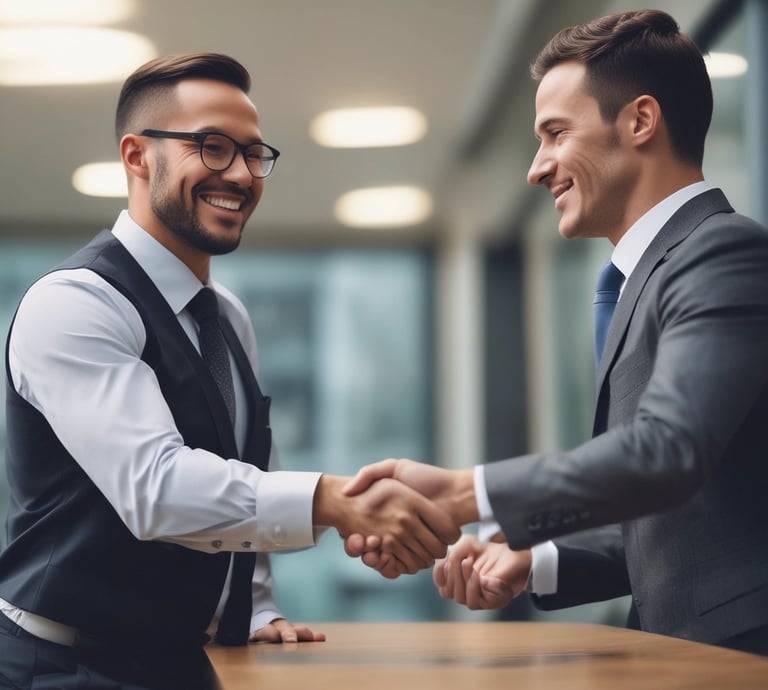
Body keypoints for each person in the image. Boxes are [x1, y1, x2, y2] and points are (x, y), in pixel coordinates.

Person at [0, 52, 460, 690]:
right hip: (63, 666)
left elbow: (240, 466)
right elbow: (156, 489)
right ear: (137, 156)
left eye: (254, 154)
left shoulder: (225, 317)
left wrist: (254, 607)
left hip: (180, 660)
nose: (241, 174)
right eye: (213, 148)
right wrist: (336, 503)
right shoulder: (76, 302)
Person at [344, 9, 768, 656]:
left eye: (555, 134)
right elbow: (688, 516)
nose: (537, 168)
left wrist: (465, 492)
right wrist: (536, 559)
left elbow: (666, 454)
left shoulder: (723, 253)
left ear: (640, 121)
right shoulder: (646, 278)